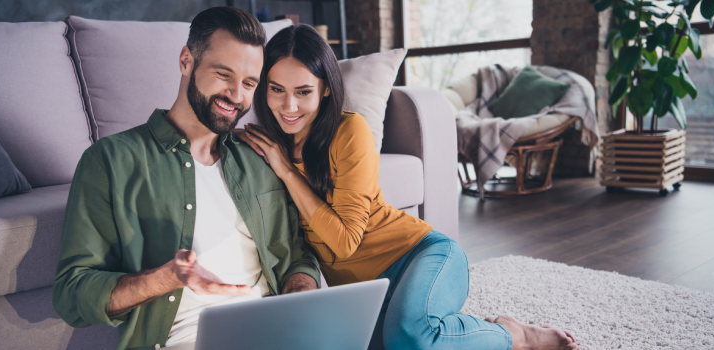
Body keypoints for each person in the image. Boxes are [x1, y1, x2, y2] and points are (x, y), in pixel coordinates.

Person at [239, 24, 579, 350]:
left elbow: (344, 242)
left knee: (410, 339)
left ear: (325, 88)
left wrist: (287, 171)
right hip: (371, 293)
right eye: (277, 89)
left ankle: (513, 335)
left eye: (303, 92)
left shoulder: (349, 132)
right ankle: (452, 328)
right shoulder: (268, 148)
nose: (289, 106)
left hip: (423, 255)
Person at [52, 7, 320, 350]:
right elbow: (72, 294)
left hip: (278, 334)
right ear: (186, 61)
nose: (237, 95)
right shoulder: (111, 161)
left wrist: (301, 294)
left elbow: (296, 255)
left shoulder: (258, 157)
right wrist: (169, 277)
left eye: (249, 83)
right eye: (223, 74)